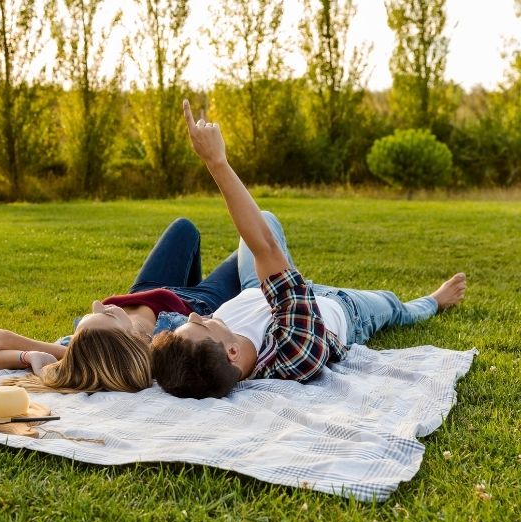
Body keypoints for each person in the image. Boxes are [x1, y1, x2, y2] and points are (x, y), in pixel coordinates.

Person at [149, 100, 467, 399]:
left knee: (265, 219)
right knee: (395, 306)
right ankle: (435, 300)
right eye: (200, 324)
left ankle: (287, 284)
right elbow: (266, 247)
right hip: (344, 308)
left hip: (257, 289)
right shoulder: (292, 351)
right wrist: (216, 161)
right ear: (232, 354)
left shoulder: (196, 357)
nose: (193, 315)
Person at [0, 217, 242, 392]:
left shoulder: (88, 344)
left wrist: (27, 355)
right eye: (108, 315)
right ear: (130, 342)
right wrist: (8, 337)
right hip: (199, 303)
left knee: (184, 228)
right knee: (248, 247)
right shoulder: (159, 351)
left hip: (148, 291)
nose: (98, 303)